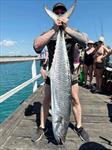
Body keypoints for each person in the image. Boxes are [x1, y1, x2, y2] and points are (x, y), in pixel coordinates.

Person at [32, 2, 89, 143]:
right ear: (53, 14)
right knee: (47, 99)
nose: (59, 14)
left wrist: (66, 28)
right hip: (54, 71)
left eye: (62, 11)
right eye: (56, 12)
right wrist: (55, 28)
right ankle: (42, 126)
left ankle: (79, 126)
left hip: (69, 70)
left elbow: (85, 42)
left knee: (75, 98)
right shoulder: (48, 32)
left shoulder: (73, 30)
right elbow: (37, 46)